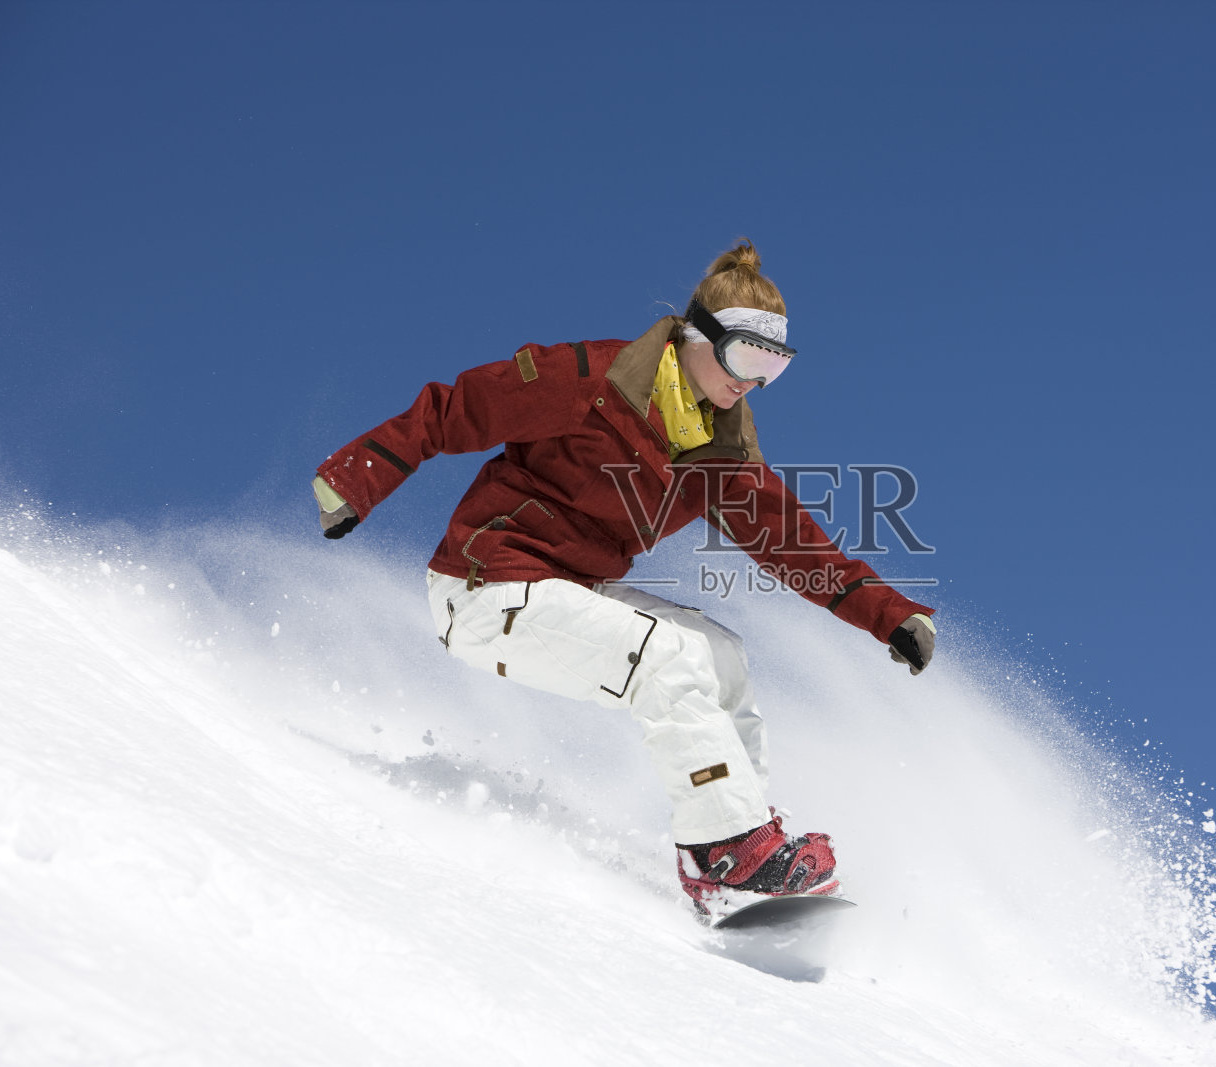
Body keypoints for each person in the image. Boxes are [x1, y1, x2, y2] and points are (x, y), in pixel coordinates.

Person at [311, 241, 936, 919]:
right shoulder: (590, 381)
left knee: (720, 655)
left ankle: (747, 837)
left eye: (773, 370)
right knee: (665, 658)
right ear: (701, 335)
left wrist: (889, 614)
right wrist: (357, 475)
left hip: (564, 593)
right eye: (748, 359)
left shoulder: (717, 454)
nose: (752, 385)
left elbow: (795, 544)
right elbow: (455, 407)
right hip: (484, 585)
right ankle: (721, 853)